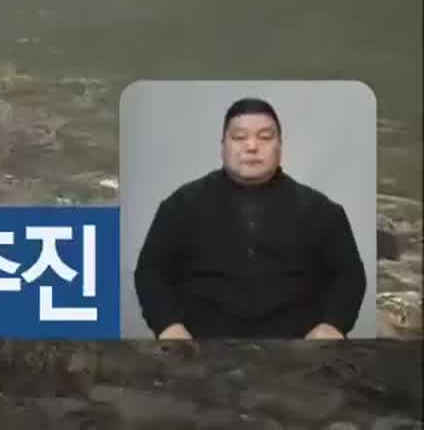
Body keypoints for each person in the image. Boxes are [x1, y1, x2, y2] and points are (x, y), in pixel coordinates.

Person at [133, 97, 367, 340]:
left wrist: (333, 325)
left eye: (265, 137)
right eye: (239, 137)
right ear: (223, 145)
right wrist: (168, 326)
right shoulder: (180, 206)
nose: (252, 146)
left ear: (280, 146)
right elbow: (151, 272)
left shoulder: (323, 211)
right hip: (200, 350)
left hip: (298, 352)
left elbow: (349, 275)